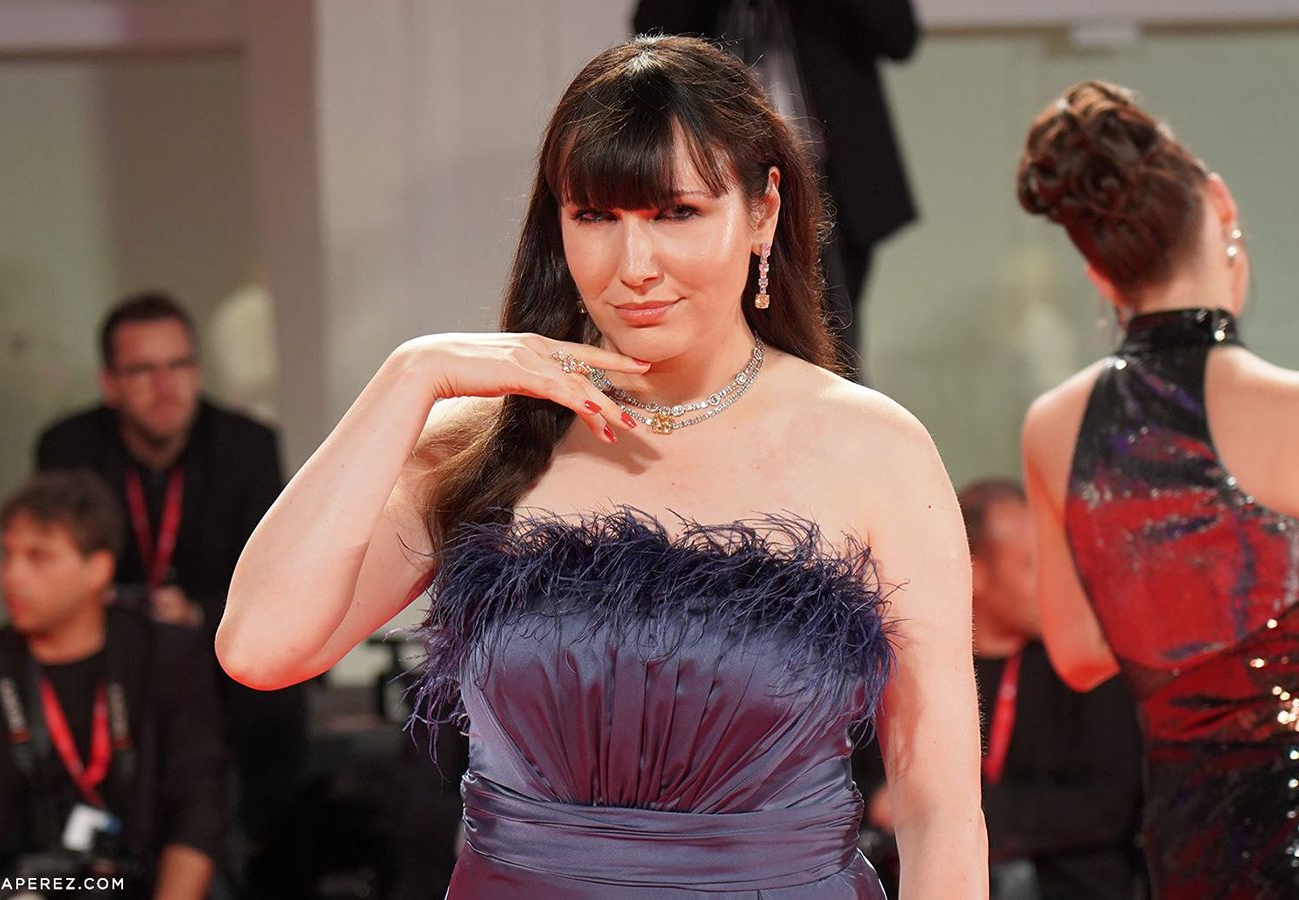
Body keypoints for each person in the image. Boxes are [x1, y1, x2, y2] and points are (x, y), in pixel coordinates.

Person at [218, 35, 985, 898]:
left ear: (763, 212)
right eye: (596, 217)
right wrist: (409, 378)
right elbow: (258, 648)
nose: (634, 269)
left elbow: (938, 804)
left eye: (675, 214)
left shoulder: (872, 450)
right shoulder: (486, 442)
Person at [1018, 81, 1299, 899]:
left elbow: (1075, 653)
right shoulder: (1286, 408)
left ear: (1099, 274)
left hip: (1187, 836)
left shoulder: (1053, 423)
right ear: (1221, 203)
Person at [34, 293, 306, 896]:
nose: (166, 387)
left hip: (218, 674)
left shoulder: (245, 446)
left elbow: (278, 580)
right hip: (107, 671)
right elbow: (53, 575)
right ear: (110, 384)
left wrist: (198, 613)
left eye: (180, 365)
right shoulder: (69, 449)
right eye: (143, 371)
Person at [0, 471, 227, 899]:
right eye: (7, 555)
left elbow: (200, 811)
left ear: (98, 569)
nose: (13, 576)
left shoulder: (164, 658)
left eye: (39, 557)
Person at [632, 0, 921, 375]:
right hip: (718, 172)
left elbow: (899, 36)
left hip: (834, 176)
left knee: (832, 331)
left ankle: (834, 423)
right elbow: (651, 32)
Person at [959, 479, 1144, 899]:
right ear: (976, 573)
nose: (1054, 584)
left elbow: (1109, 801)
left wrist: (965, 817)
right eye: (1031, 566)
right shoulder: (917, 664)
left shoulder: (1089, 664)